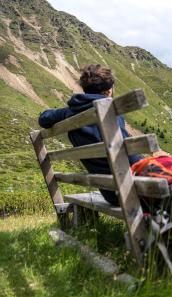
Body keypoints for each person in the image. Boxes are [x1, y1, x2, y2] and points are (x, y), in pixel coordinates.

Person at [39, 64, 142, 205]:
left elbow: (44, 118)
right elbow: (133, 157)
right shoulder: (110, 112)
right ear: (107, 92)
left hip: (110, 192)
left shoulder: (71, 112)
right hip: (129, 190)